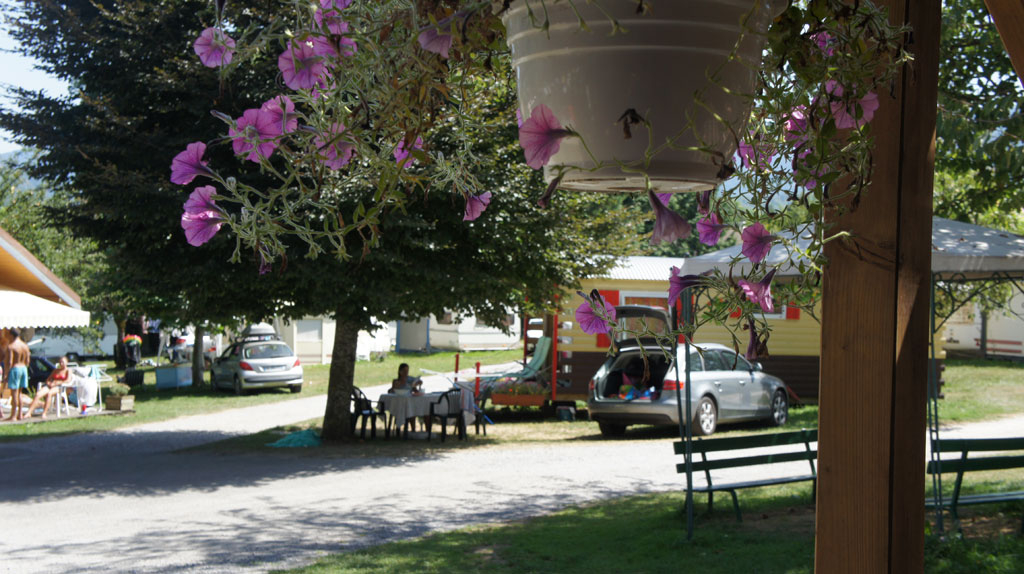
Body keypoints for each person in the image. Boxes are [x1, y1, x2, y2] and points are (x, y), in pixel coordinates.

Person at [2, 328, 32, 422]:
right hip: (23, 368)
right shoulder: (25, 346)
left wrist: (6, 375)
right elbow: (27, 361)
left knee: (14, 394)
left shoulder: (11, 347)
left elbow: (9, 362)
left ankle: (13, 415)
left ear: (11, 335)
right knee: (19, 393)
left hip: (15, 369)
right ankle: (20, 414)